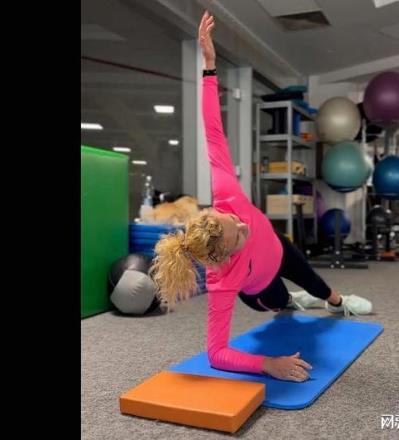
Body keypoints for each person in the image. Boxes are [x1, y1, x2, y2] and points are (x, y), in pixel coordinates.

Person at [151, 11, 372, 383]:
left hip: (278, 247)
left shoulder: (226, 193)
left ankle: (338, 304)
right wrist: (267, 364)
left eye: (233, 221)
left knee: (317, 283)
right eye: (237, 235)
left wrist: (209, 66)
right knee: (280, 302)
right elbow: (216, 354)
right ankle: (291, 300)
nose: (241, 224)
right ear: (225, 255)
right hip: (260, 286)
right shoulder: (223, 280)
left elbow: (212, 129)